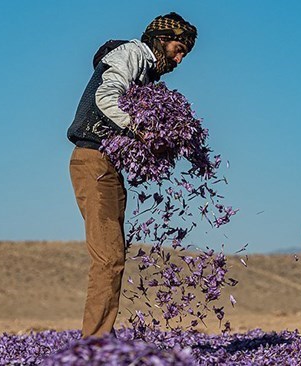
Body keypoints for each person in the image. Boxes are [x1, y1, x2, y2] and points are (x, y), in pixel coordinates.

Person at [66, 12, 197, 338]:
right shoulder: (133, 54)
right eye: (177, 48)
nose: (179, 59)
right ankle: (95, 344)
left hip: (107, 166)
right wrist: (143, 130)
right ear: (159, 39)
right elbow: (106, 97)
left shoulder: (145, 72)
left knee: (113, 256)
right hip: (93, 162)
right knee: (108, 257)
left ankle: (101, 338)